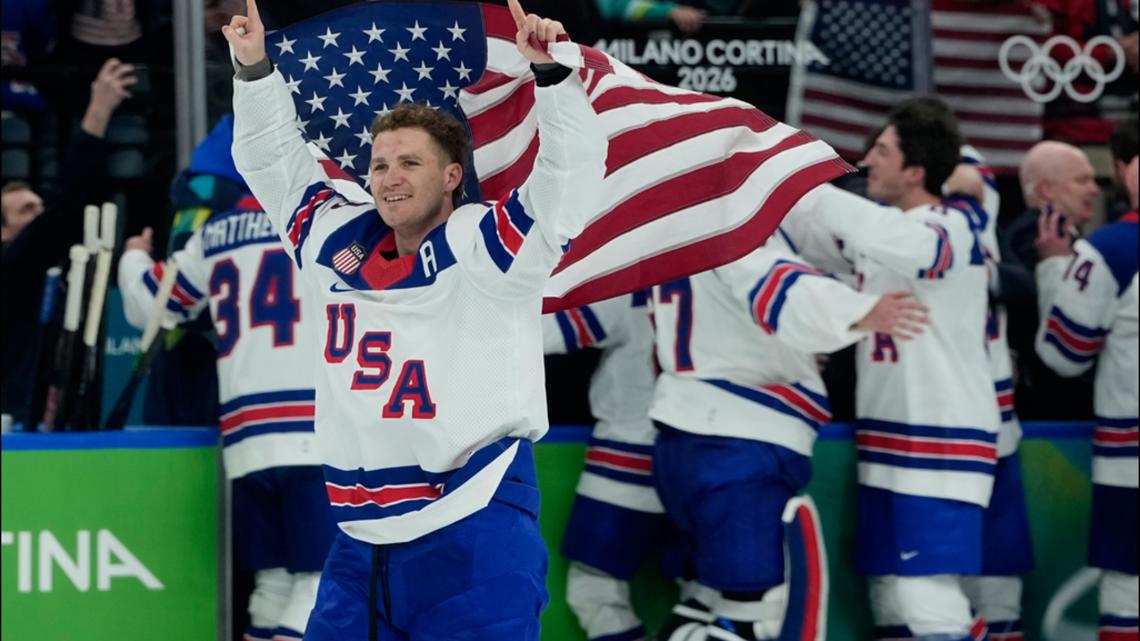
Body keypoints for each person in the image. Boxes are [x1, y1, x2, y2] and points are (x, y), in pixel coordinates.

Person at [222, 0, 606, 637]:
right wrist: (255, 72)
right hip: (359, 538)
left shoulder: (488, 246)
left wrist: (554, 80)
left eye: (409, 163)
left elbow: (567, 183)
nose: (388, 178)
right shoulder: (329, 239)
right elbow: (273, 163)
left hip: (473, 524)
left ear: (454, 175)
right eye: (378, 164)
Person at [116, 117, 338, 641]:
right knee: (317, 586)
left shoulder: (213, 234)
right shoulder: (333, 219)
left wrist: (131, 258)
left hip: (245, 443)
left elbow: (147, 305)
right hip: (315, 436)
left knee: (273, 588)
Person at [647, 227, 927, 640]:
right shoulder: (734, 219)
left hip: (682, 436)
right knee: (755, 615)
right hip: (739, 441)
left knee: (705, 601)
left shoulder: (677, 226)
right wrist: (858, 311)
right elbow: (777, 286)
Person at [788, 98, 998, 640]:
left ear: (916, 171)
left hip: (943, 439)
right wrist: (770, 177)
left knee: (923, 594)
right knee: (890, 597)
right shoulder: (882, 230)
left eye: (882, 151)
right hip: (888, 438)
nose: (868, 161)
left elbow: (912, 247)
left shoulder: (951, 227)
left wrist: (806, 171)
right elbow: (811, 230)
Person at [1035, 153, 1138, 641]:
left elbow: (1063, 353)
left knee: (1129, 593)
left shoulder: (1115, 249)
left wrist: (1055, 268)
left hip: (1132, 460)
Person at [0, 57, 136, 426]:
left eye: (38, 207)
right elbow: (64, 204)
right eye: (26, 211)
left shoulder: (48, 271)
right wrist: (98, 111)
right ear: (4, 231)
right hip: (13, 417)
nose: (39, 215)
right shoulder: (13, 265)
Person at [542, 293, 664, 641]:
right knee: (711, 592)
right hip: (708, 457)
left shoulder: (634, 283)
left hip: (627, 453)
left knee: (595, 586)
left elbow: (536, 331)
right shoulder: (737, 273)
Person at [999, 140, 1101, 420]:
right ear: (1045, 189)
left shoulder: (1060, 235)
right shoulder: (1032, 235)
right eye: (1082, 180)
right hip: (1054, 404)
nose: (1094, 189)